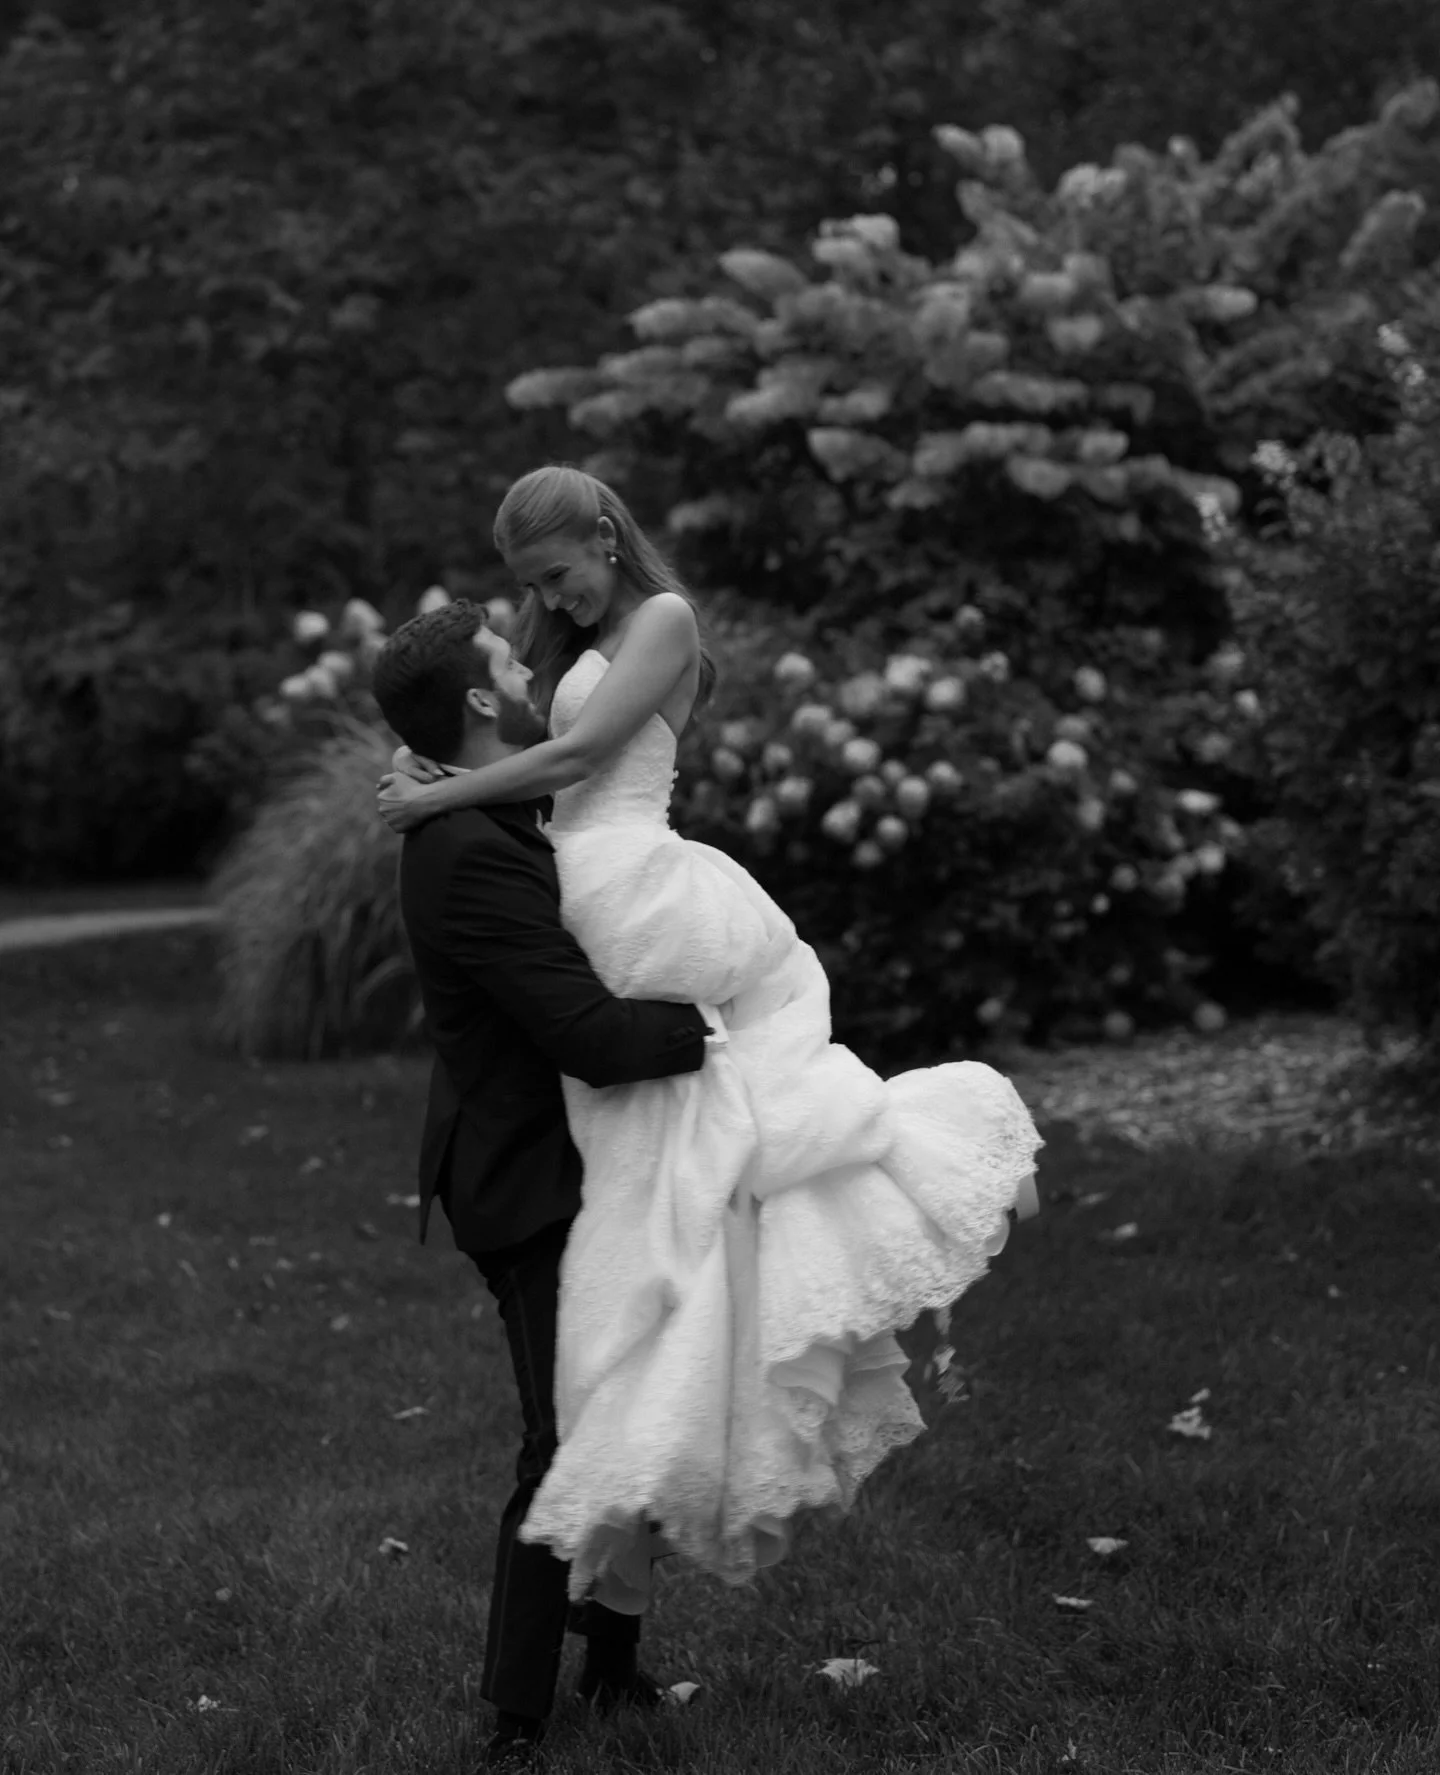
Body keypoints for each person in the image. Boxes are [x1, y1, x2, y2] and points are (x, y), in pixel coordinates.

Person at [377, 464, 1042, 1620]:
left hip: (628, 862)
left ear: (604, 532)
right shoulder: (559, 628)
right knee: (665, 1131)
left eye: (562, 573)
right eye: (532, 587)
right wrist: (447, 768)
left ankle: (724, 1301)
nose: (555, 601)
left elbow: (579, 762)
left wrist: (436, 799)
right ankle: (661, 1371)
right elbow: (490, 721)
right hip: (578, 868)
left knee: (740, 1074)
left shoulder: (665, 618)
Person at [370, 600, 725, 1771]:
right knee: (564, 1433)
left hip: (578, 1156)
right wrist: (722, 1024)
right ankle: (515, 1715)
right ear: (480, 699)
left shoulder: (482, 805)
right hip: (524, 1179)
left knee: (639, 1403)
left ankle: (613, 1674)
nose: (532, 667)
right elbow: (592, 1035)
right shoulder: (468, 855)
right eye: (509, 662)